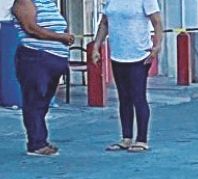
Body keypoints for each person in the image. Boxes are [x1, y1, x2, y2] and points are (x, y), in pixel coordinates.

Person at [91, 0, 163, 152]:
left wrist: (157, 45)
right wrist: (97, 45)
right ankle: (126, 137)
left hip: (139, 54)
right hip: (118, 54)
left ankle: (142, 139)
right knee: (124, 97)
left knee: (138, 96)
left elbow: (156, 21)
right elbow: (104, 23)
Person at [11, 0, 75, 157]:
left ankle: (41, 139)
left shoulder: (48, 3)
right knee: (34, 100)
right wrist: (61, 37)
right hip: (35, 57)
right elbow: (31, 28)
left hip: (53, 59)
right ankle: (36, 144)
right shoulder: (24, 2)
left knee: (43, 103)